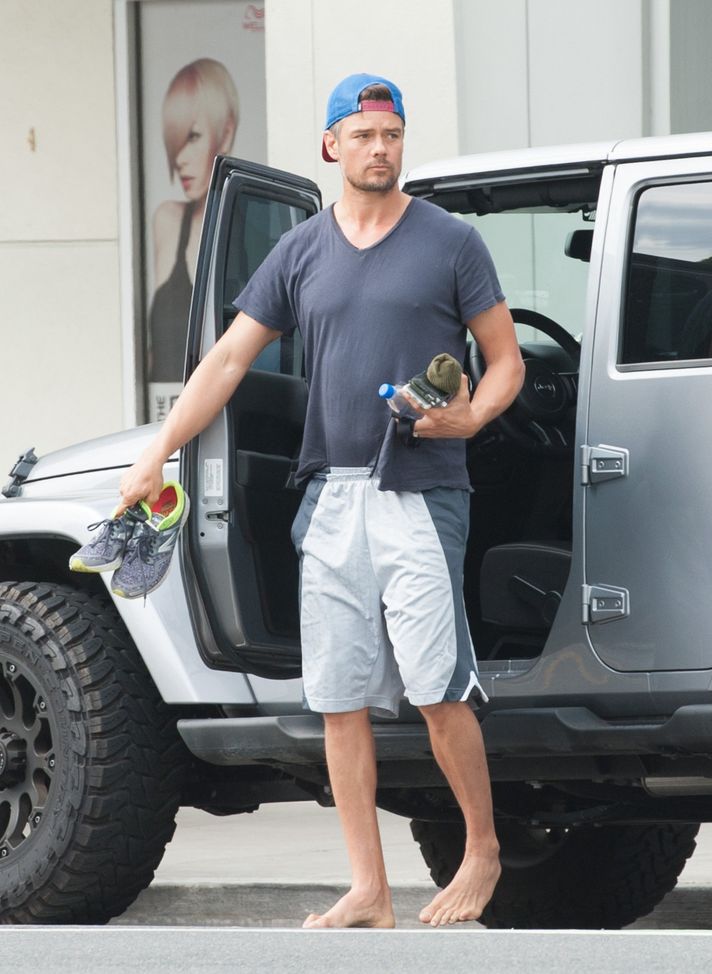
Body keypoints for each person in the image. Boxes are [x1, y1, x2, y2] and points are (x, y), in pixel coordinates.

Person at [118, 72, 525, 928]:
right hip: (332, 499)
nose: (382, 149)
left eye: (393, 134)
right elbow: (227, 363)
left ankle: (482, 852)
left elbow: (507, 359)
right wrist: (157, 453)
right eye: (366, 135)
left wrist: (471, 416)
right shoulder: (300, 251)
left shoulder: (451, 242)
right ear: (333, 146)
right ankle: (369, 890)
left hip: (421, 491)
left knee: (434, 687)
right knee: (338, 698)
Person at [149, 58, 239, 383]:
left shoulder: (252, 226)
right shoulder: (168, 221)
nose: (180, 158)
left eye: (193, 137)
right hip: (164, 408)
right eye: (175, 142)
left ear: (225, 133)